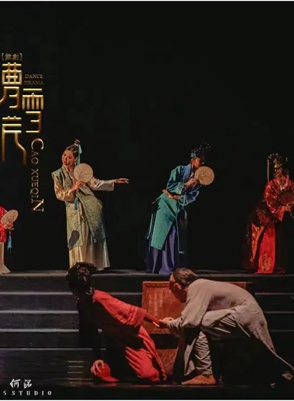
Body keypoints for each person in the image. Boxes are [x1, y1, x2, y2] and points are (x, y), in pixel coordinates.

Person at [158, 268, 294, 386]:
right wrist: (175, 322)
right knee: (205, 323)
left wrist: (169, 324)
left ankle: (206, 375)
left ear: (177, 287)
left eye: (171, 289)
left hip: (245, 314)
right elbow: (190, 318)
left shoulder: (197, 288)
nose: (173, 293)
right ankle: (287, 377)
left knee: (201, 325)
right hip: (245, 314)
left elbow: (190, 322)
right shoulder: (201, 285)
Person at [67, 262, 166, 383]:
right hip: (112, 340)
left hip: (131, 338)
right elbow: (91, 332)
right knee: (99, 372)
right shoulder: (82, 305)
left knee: (149, 375)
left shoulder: (100, 299)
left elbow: (133, 310)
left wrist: (158, 322)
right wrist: (98, 357)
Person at [51, 139, 129, 270]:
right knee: (77, 236)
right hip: (73, 209)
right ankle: (79, 265)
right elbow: (59, 194)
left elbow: (95, 184)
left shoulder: (81, 170)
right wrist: (73, 189)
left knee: (90, 235)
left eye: (69, 157)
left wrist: (114, 181)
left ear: (75, 159)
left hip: (90, 205)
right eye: (64, 155)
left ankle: (93, 264)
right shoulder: (57, 174)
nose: (65, 159)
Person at [145, 142, 211, 275]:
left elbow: (192, 196)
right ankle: (160, 266)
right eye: (200, 160)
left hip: (179, 205)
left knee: (176, 235)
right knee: (164, 234)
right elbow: (169, 186)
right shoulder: (179, 170)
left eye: (204, 160)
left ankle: (175, 266)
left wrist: (178, 197)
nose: (203, 163)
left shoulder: (199, 179)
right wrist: (186, 185)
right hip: (165, 205)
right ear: (193, 160)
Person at [243, 153, 294, 274]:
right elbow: (270, 201)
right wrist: (283, 209)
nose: (277, 172)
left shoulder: (291, 184)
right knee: (268, 240)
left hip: (281, 218)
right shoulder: (271, 185)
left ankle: (281, 266)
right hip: (266, 215)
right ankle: (266, 266)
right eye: (276, 170)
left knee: (282, 241)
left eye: (279, 169)